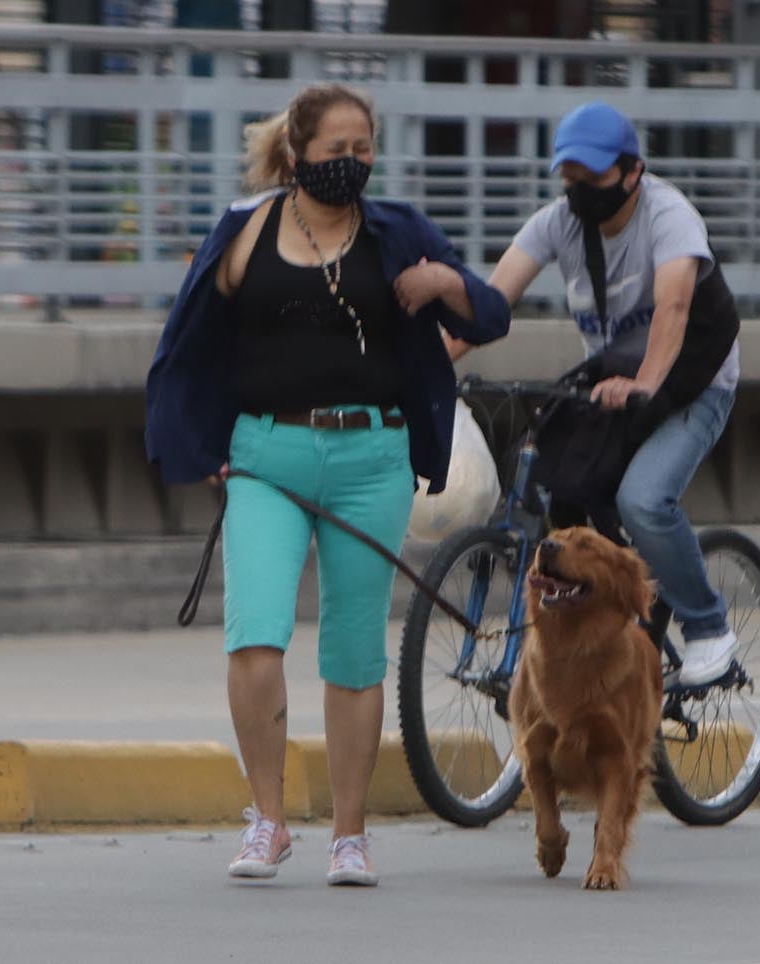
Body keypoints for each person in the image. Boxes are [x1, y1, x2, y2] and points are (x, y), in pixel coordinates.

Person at [144, 83, 510, 886]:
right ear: (295, 154)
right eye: (335, 150)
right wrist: (197, 442)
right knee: (255, 634)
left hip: (370, 458)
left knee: (353, 654)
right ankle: (267, 820)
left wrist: (443, 286)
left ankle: (349, 834)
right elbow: (188, 342)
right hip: (266, 456)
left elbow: (487, 316)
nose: (352, 164)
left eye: (363, 149)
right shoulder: (243, 231)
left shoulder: (397, 231)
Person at [449, 101, 740, 687]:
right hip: (613, 389)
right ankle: (612, 630)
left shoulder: (669, 215)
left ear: (633, 171)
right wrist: (424, 368)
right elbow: (489, 304)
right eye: (570, 178)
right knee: (562, 490)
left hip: (693, 385)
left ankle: (710, 629)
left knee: (643, 500)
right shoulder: (556, 224)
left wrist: (647, 385)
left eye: (595, 177)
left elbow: (676, 304)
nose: (580, 190)